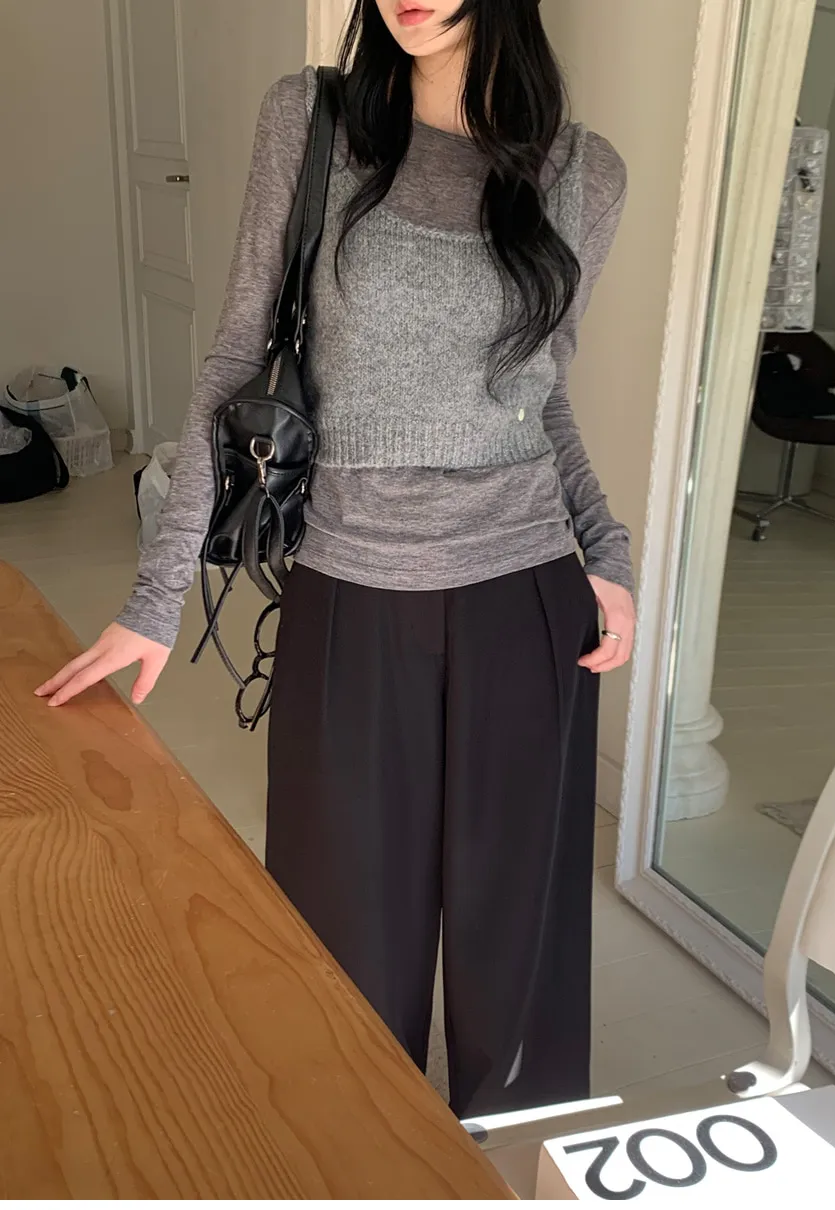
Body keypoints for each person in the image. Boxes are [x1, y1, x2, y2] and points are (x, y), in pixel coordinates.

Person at [37, 0, 635, 1119]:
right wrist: (158, 596)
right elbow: (234, 363)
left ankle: (516, 1158)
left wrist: (608, 550)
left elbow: (542, 398)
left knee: (522, 953)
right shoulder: (314, 124)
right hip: (350, 590)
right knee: (336, 944)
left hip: (526, 596)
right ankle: (357, 1157)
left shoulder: (585, 176)